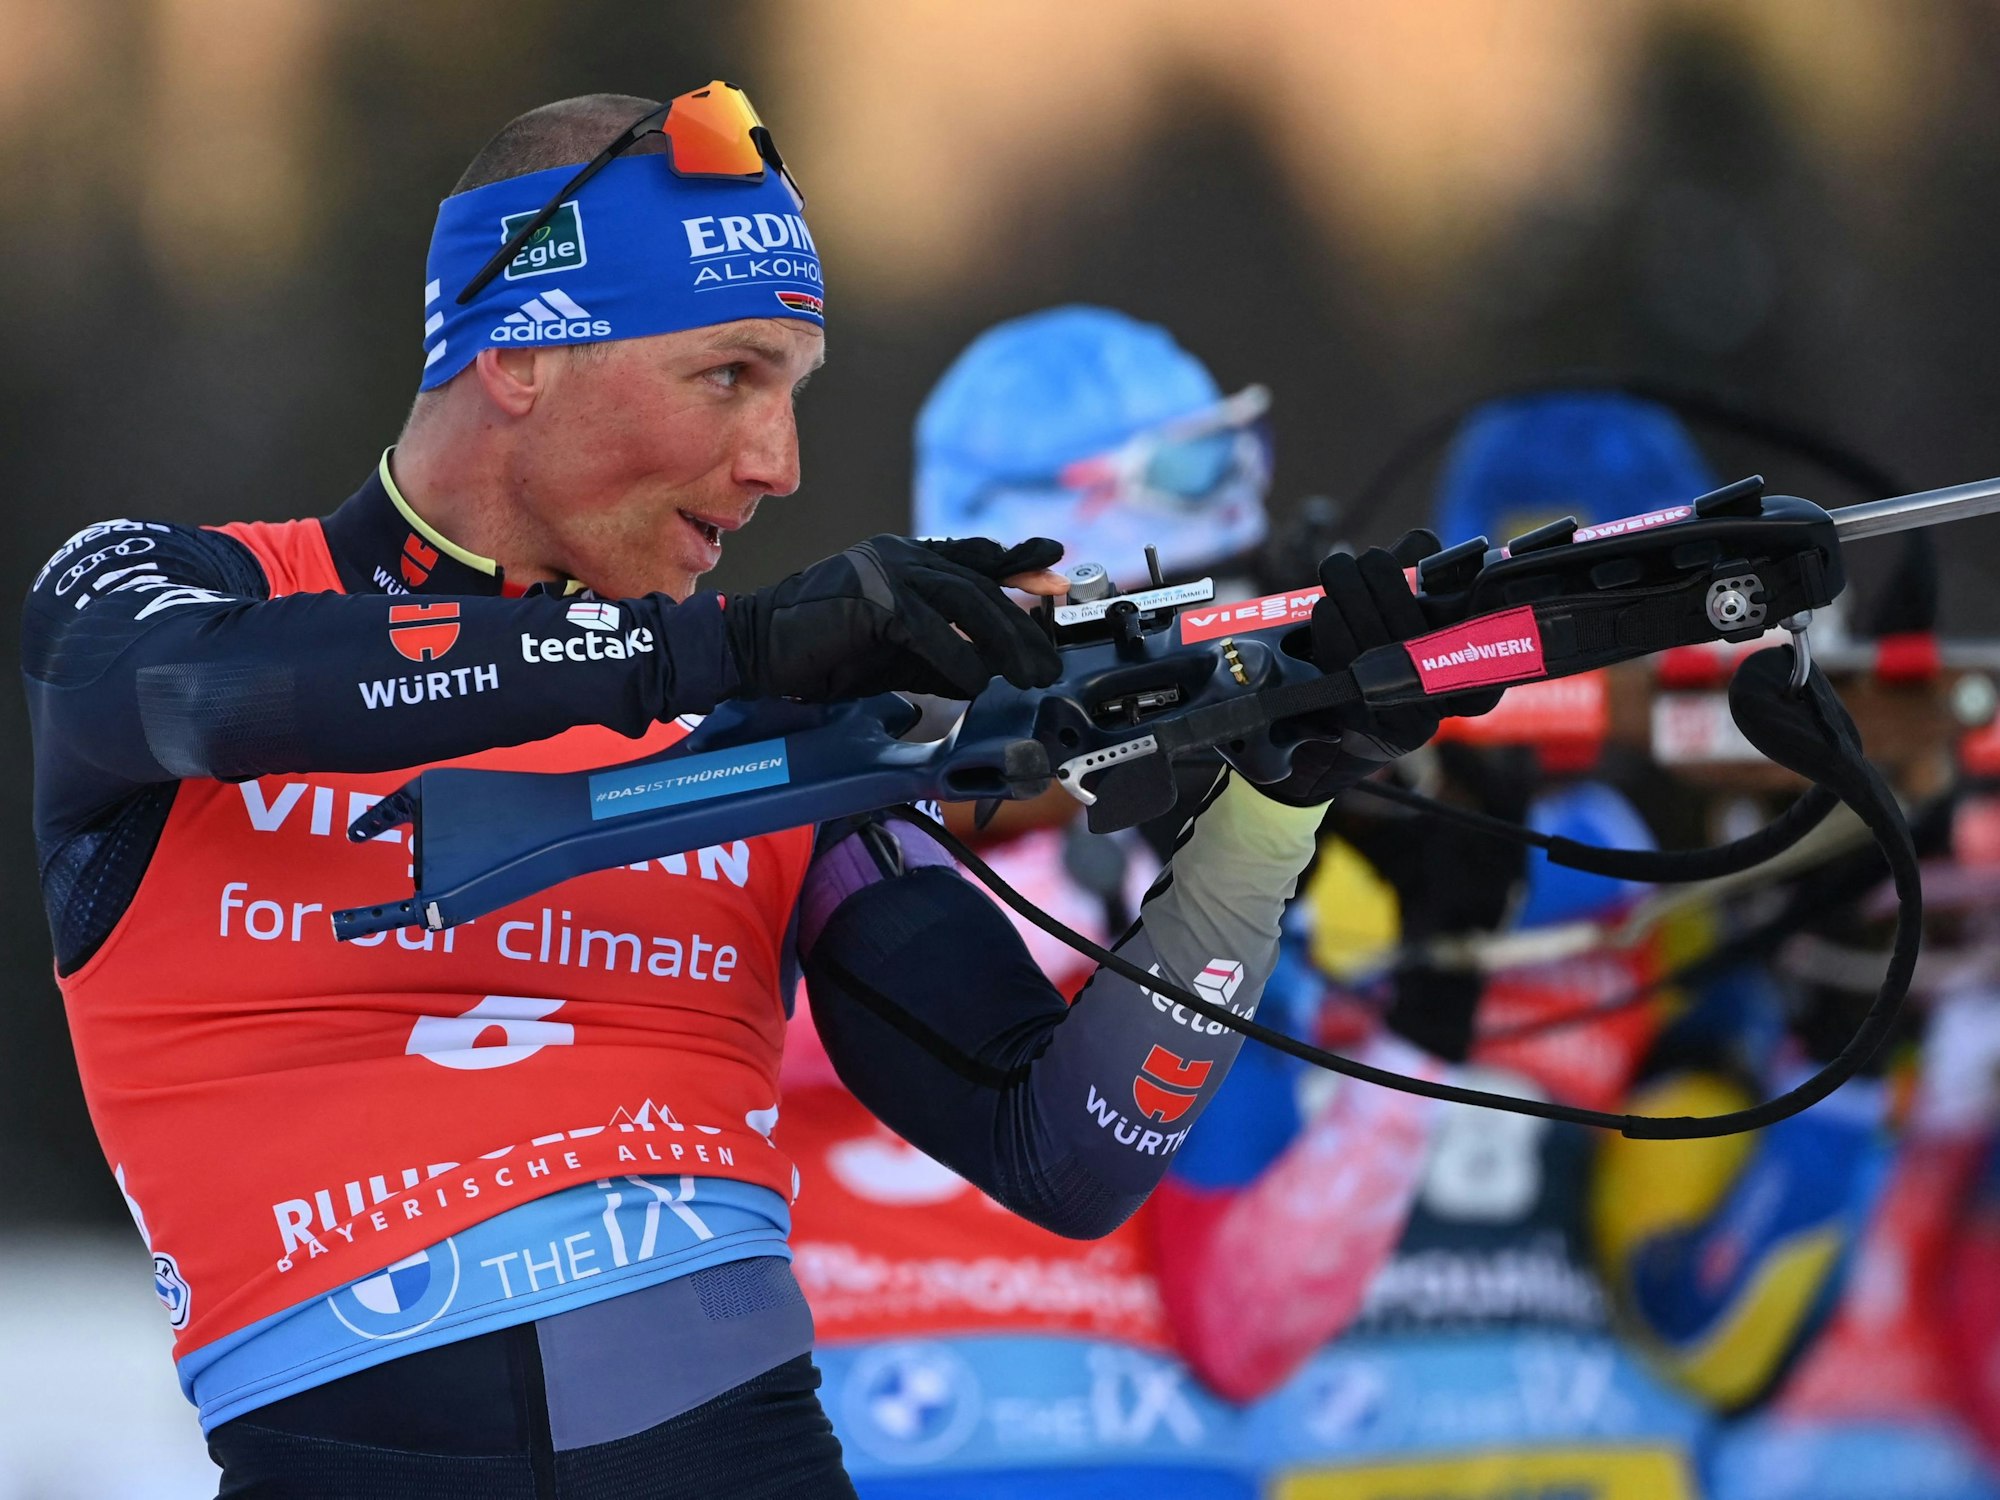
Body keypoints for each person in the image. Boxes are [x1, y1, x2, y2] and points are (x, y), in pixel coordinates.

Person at [22, 88, 1447, 1499]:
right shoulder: (168, 592)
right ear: (518, 351)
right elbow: (189, 694)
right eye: (729, 375)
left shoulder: (771, 731)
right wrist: (732, 650)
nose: (778, 465)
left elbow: (1063, 1148)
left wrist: (1269, 817)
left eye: (793, 391)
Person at [785, 308, 1273, 1497]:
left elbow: (1251, 1325)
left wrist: (1389, 1009)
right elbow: (738, 1022)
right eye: (1143, 625)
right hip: (865, 1449)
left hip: (1150, 1460)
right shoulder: (825, 786)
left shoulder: (1222, 839)